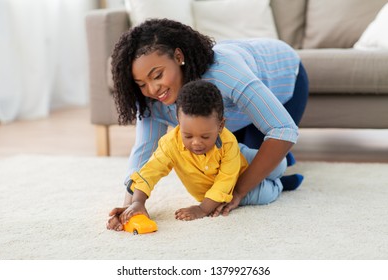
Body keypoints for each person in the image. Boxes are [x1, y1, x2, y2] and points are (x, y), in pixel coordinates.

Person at [107, 18, 308, 230]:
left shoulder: (224, 72)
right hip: (230, 117)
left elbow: (283, 129)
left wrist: (237, 192)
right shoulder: (152, 100)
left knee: (265, 158)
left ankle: (282, 165)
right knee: (221, 159)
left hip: (283, 80)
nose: (153, 89)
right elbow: (144, 153)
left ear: (178, 57)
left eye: (157, 75)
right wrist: (129, 207)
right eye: (142, 84)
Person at [111, 80, 288, 226]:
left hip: (236, 160)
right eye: (187, 135)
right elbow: (150, 172)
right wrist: (138, 202)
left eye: (205, 136)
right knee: (265, 194)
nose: (196, 143)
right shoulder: (169, 144)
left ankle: (276, 173)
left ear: (220, 126)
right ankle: (281, 185)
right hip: (222, 189)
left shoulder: (228, 142)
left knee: (279, 164)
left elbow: (226, 175)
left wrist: (202, 210)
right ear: (178, 122)